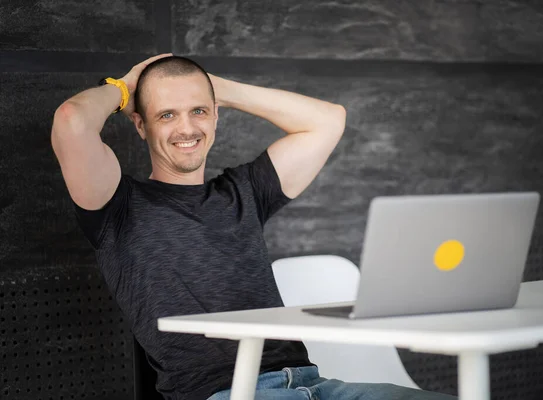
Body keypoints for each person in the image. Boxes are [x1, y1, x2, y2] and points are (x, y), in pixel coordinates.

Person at [51, 54, 456, 400]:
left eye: (199, 111)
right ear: (140, 125)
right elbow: (71, 121)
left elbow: (329, 120)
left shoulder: (243, 191)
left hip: (316, 385)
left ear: (215, 117)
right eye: (167, 114)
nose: (187, 128)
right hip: (230, 393)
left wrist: (217, 88)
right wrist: (125, 88)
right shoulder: (117, 206)